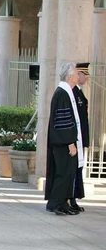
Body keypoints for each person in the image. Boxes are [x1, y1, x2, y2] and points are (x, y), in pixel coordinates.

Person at [45, 62, 83, 216]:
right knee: (63, 173)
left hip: (64, 142)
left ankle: (60, 203)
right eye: (75, 74)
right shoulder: (62, 93)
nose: (77, 77)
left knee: (66, 173)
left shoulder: (67, 92)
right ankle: (58, 203)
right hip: (63, 143)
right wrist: (70, 142)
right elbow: (63, 120)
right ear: (69, 77)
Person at [70, 62, 90, 212]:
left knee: (78, 168)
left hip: (81, 137)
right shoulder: (73, 93)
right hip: (76, 138)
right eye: (85, 74)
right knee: (74, 169)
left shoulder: (79, 92)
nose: (87, 77)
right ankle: (71, 199)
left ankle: (74, 199)